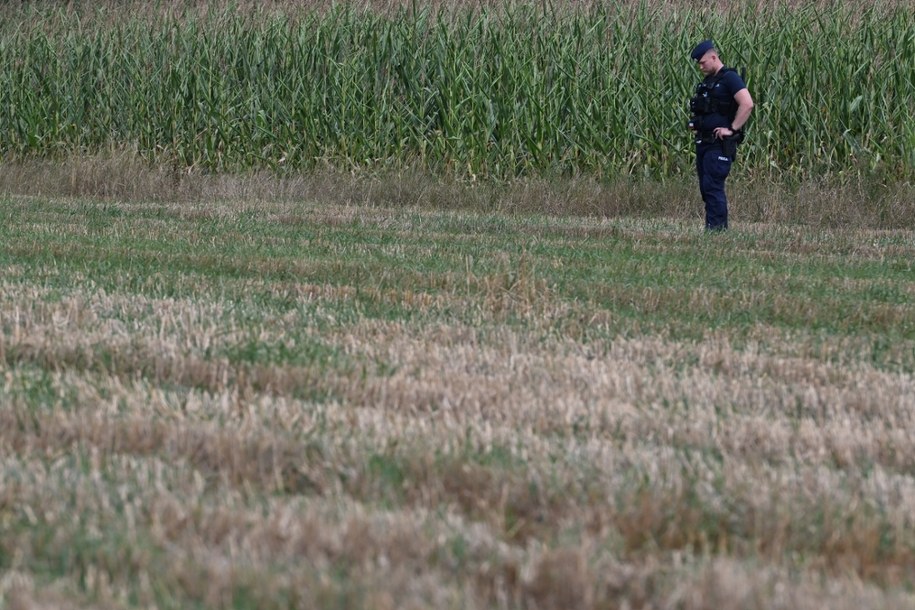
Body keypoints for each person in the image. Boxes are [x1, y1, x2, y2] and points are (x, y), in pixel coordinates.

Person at [688, 40, 754, 231]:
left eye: (703, 63)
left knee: (713, 186)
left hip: (718, 144)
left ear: (713, 57)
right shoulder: (709, 82)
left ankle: (717, 230)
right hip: (704, 141)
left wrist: (732, 129)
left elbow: (747, 103)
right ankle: (713, 227)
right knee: (706, 188)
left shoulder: (730, 78)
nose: (701, 67)